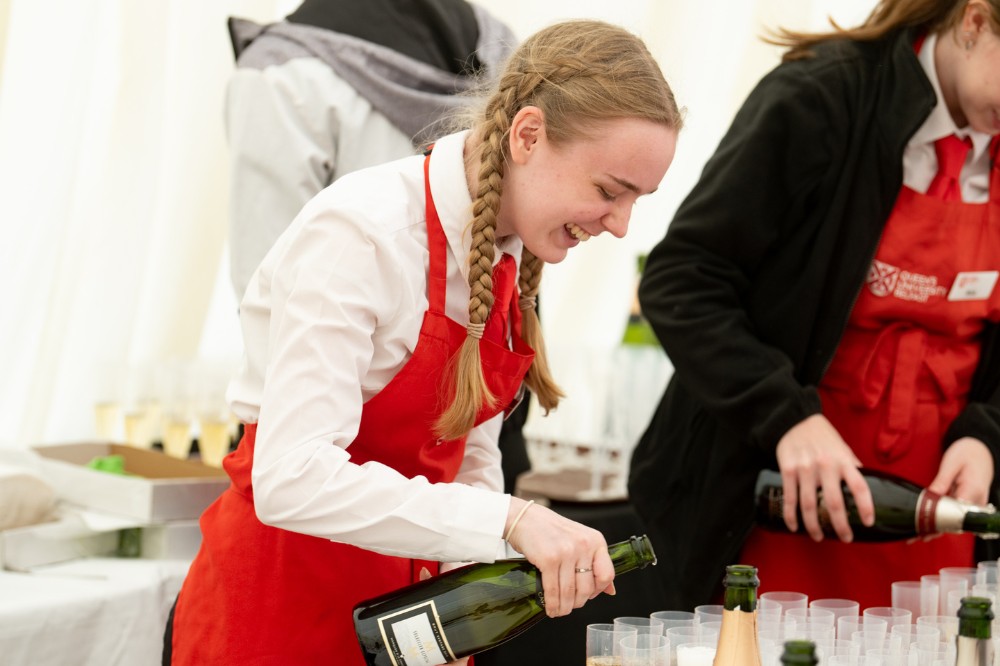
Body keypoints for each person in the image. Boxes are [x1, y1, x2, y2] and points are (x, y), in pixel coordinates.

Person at [164, 18, 682, 665]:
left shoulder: (510, 257)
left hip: (409, 628)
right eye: (610, 191)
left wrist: (480, 579)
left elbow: (469, 459)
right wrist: (508, 521)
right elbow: (289, 478)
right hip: (280, 615)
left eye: (639, 200)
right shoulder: (363, 233)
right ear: (528, 136)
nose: (620, 225)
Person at [629, 0, 1000, 611]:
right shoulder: (823, 96)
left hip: (940, 521)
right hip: (780, 501)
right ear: (976, 21)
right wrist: (786, 417)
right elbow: (684, 279)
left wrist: (986, 436)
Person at [225, 0, 533, 494]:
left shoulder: (283, 72)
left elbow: (262, 268)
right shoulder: (499, 46)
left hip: (354, 426)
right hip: (350, 454)